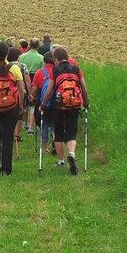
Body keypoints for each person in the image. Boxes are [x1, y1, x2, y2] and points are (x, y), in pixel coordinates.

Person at [42, 46, 90, 175]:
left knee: (58, 133)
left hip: (58, 105)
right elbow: (84, 88)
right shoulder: (76, 69)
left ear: (55, 59)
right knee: (71, 132)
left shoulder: (55, 70)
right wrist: (86, 103)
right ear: (67, 57)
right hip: (74, 104)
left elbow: (49, 90)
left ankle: (61, 161)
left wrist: (43, 104)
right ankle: (72, 153)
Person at [0, 41, 26, 176]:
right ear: (8, 53)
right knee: (8, 138)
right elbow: (21, 90)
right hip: (11, 107)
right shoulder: (14, 68)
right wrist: (20, 105)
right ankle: (6, 169)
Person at [31, 52, 56, 154]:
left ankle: (45, 148)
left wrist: (33, 98)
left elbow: (34, 89)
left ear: (44, 60)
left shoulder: (39, 72)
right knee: (54, 123)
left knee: (44, 123)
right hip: (55, 101)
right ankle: (55, 138)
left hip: (43, 102)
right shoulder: (57, 71)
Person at [7, 47, 31, 143]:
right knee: (20, 113)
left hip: (8, 92)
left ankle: (10, 132)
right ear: (17, 56)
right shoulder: (22, 66)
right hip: (21, 91)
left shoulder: (6, 65)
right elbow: (27, 80)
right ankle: (16, 134)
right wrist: (29, 93)